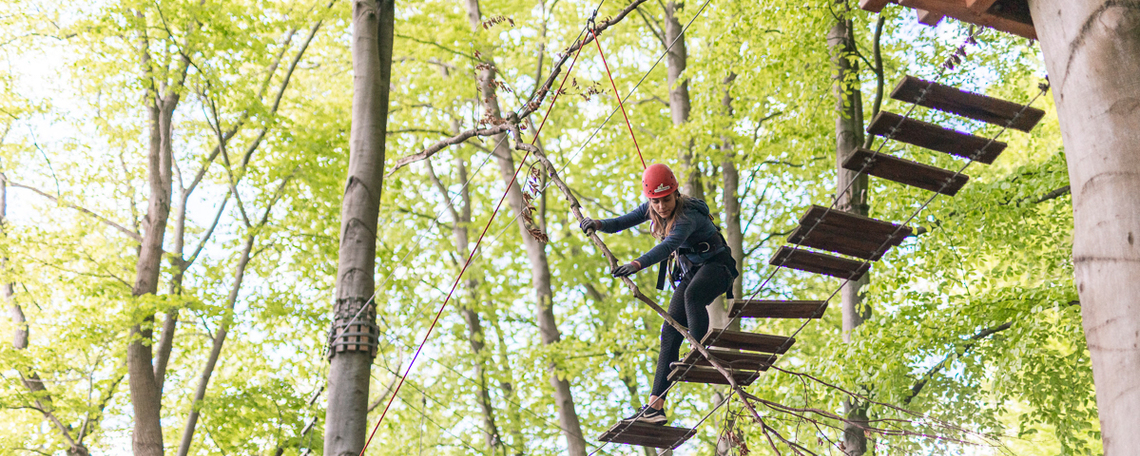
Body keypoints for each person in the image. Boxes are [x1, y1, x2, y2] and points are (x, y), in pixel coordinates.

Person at [580, 163, 738, 425]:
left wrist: (636, 264)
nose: (661, 206)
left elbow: (668, 247)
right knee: (669, 331)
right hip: (693, 272)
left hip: (718, 268)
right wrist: (598, 224)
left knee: (692, 297)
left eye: (666, 200)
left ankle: (697, 348)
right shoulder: (652, 208)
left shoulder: (687, 216)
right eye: (655, 201)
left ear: (676, 193)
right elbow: (623, 221)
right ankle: (655, 407)